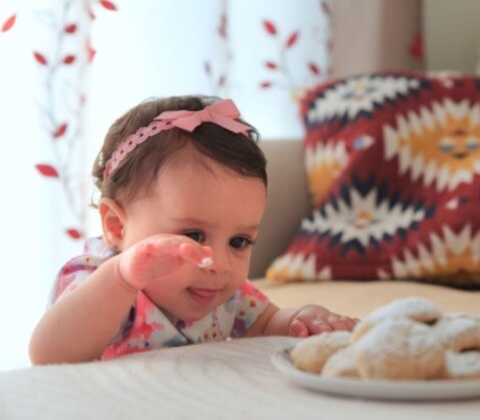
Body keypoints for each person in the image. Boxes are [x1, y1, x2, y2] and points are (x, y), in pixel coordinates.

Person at [29, 96, 357, 365]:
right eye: (194, 236)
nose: (218, 263)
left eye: (239, 241)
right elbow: (49, 355)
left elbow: (267, 326)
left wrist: (304, 319)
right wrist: (122, 277)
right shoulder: (101, 284)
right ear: (117, 226)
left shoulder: (224, 297)